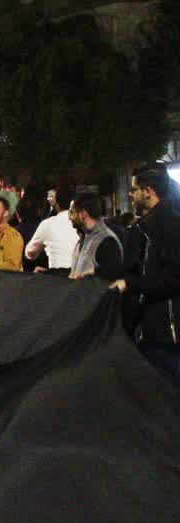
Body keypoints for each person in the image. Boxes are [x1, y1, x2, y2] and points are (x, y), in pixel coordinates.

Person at [111, 166, 180, 388]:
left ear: (148, 191)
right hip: (155, 330)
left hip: (163, 332)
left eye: (134, 190)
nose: (131, 195)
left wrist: (128, 283)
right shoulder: (154, 225)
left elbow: (173, 278)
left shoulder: (163, 227)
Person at [69, 194, 124, 281]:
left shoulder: (107, 241)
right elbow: (75, 272)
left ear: (83, 214)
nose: (69, 217)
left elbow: (113, 274)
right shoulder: (84, 237)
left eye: (71, 212)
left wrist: (93, 272)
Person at [26, 193, 79, 274]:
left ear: (56, 204)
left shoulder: (48, 223)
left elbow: (30, 253)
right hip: (80, 276)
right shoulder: (84, 224)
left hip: (58, 276)